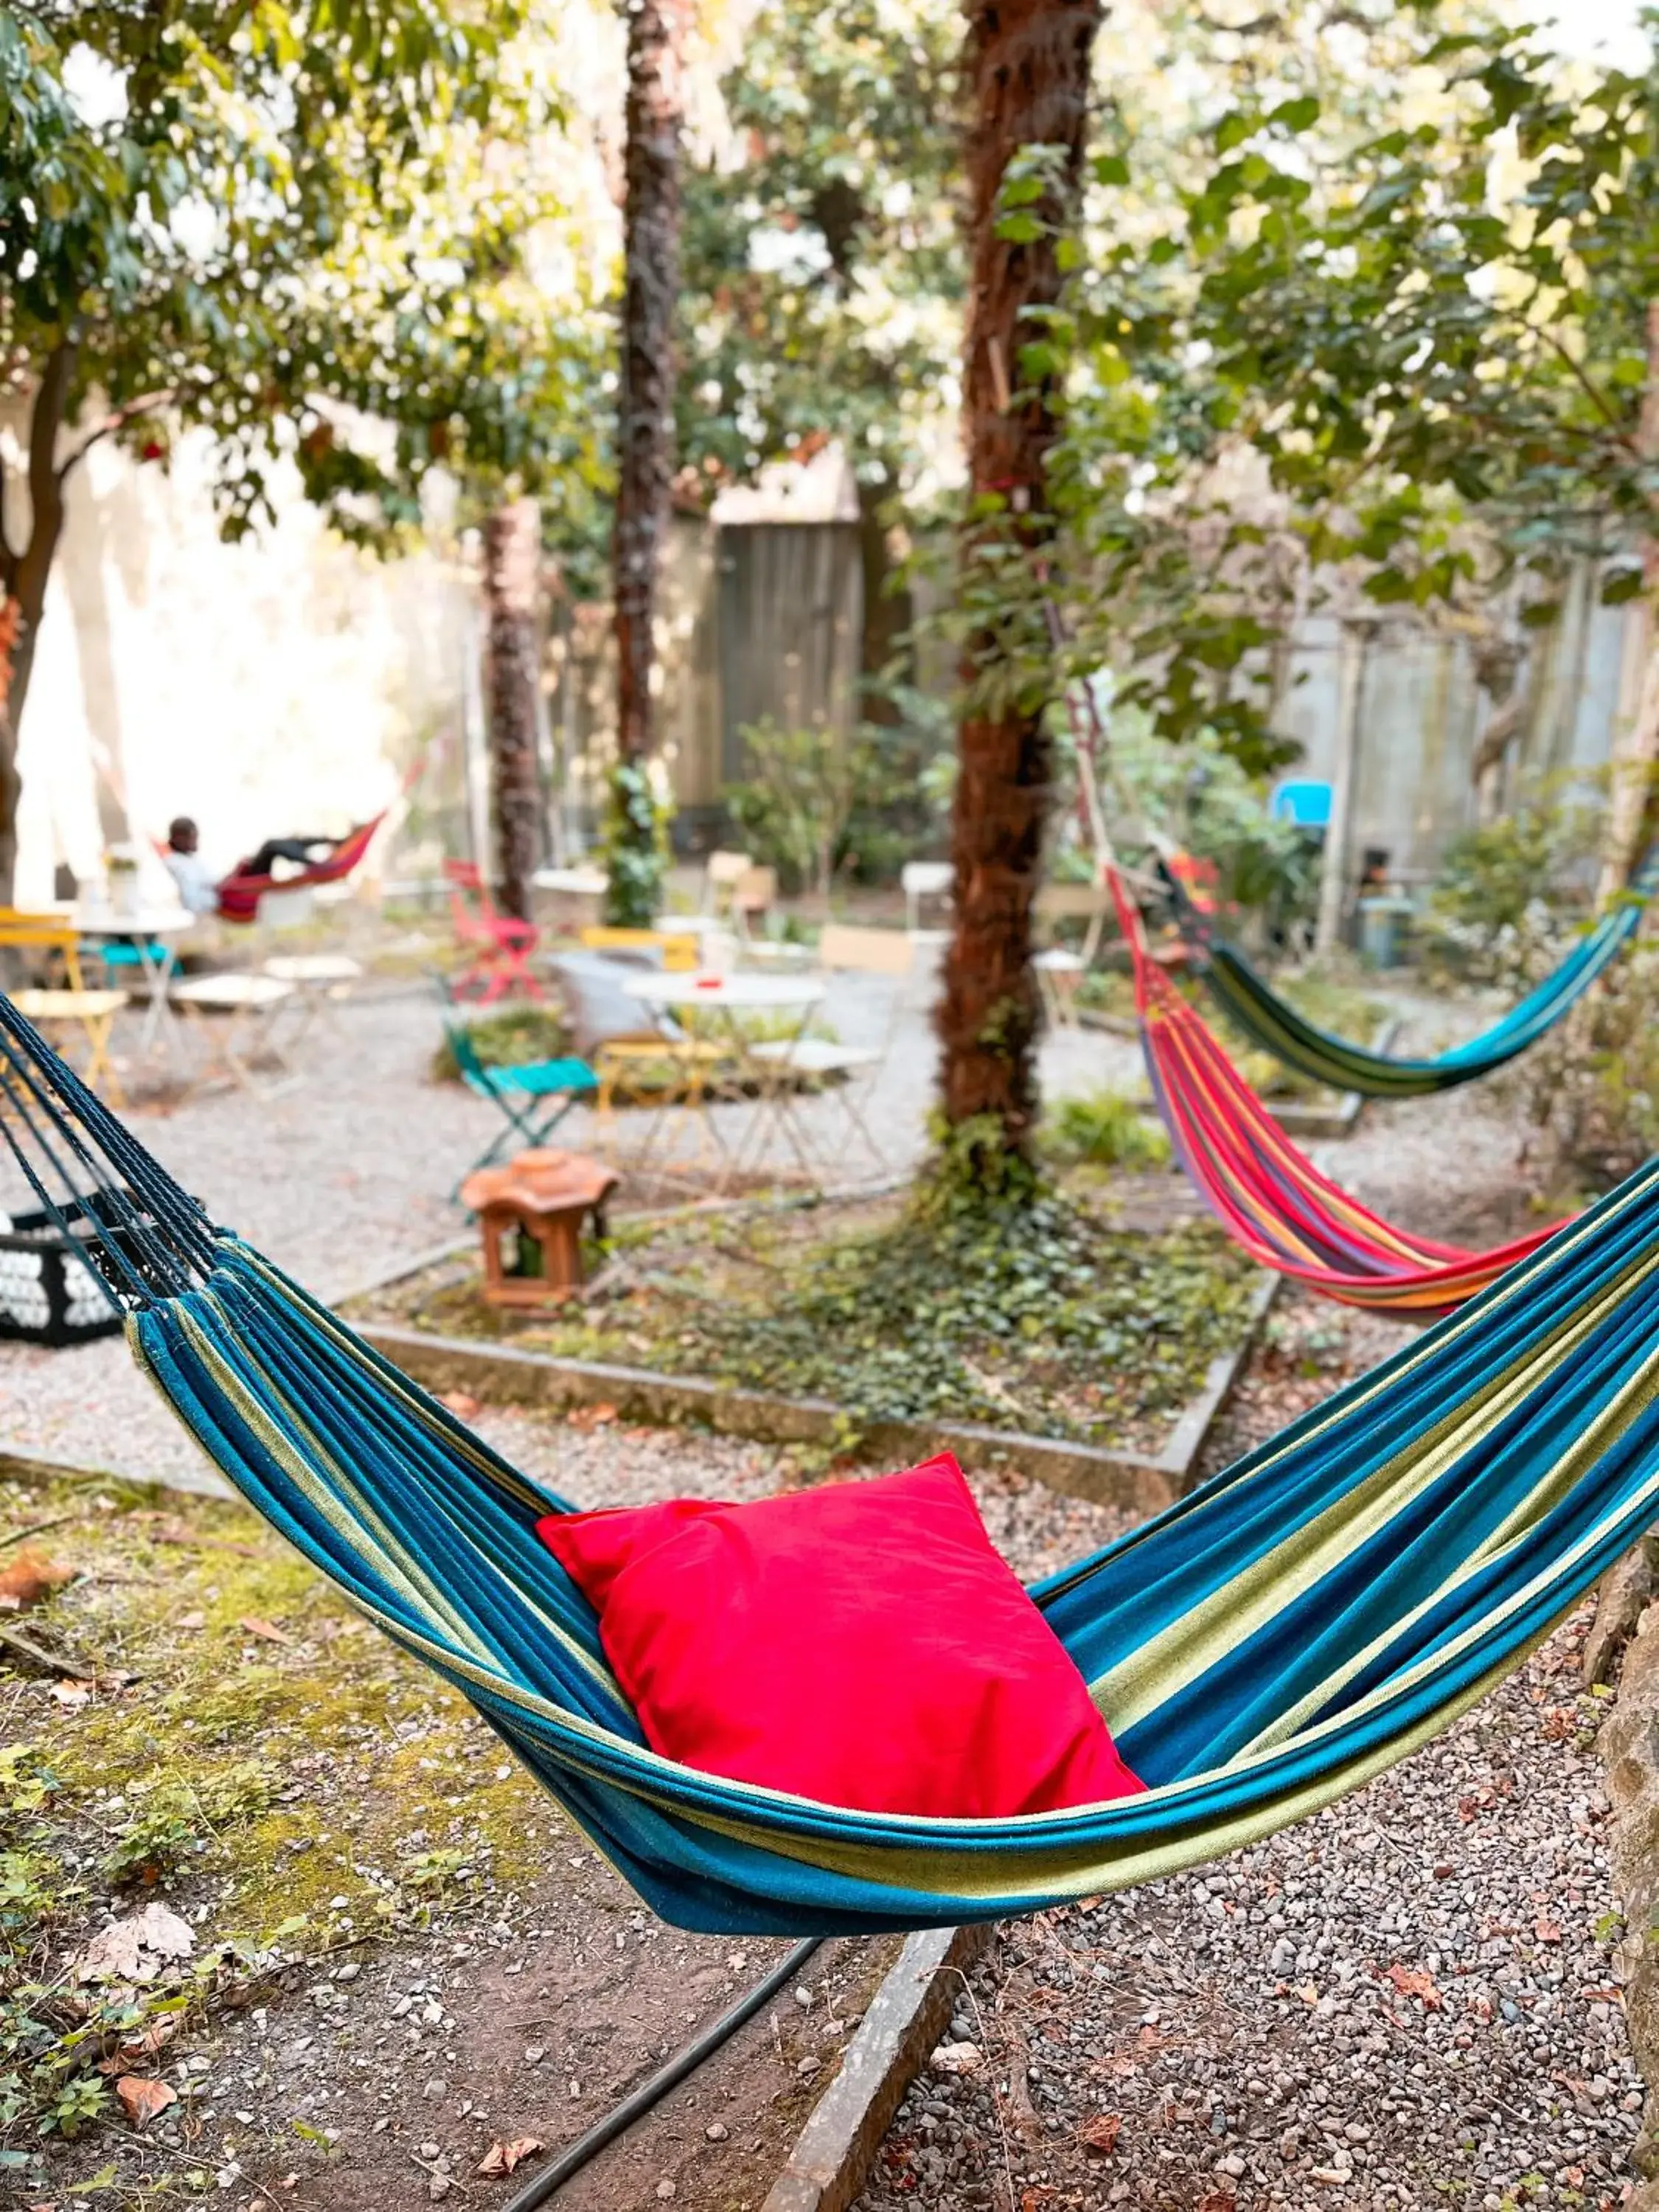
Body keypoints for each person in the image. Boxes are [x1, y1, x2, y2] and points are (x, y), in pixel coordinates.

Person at [161, 818, 219, 915]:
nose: (196, 841)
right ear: (179, 839)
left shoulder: (195, 860)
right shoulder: (174, 863)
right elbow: (191, 902)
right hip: (194, 917)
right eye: (192, 837)